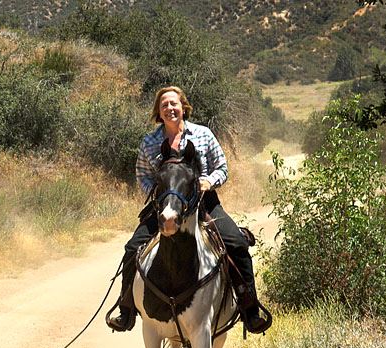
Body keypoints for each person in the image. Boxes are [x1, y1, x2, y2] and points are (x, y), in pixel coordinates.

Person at [106, 86, 269, 334]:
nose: (169, 108)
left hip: (204, 203)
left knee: (236, 243)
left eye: (174, 104)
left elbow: (222, 167)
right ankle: (126, 309)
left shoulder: (203, 134)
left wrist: (209, 182)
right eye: (164, 105)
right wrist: (159, 193)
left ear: (183, 107)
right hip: (165, 206)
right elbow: (143, 175)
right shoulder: (149, 142)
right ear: (158, 112)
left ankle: (250, 309)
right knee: (132, 249)